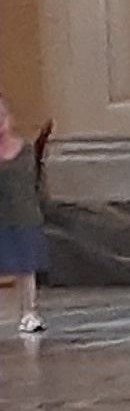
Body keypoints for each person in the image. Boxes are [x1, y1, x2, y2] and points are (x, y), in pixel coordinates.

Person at [0, 94, 44, 335]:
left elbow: (29, 183)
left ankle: (30, 312)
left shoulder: (24, 150)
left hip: (22, 216)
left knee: (26, 267)